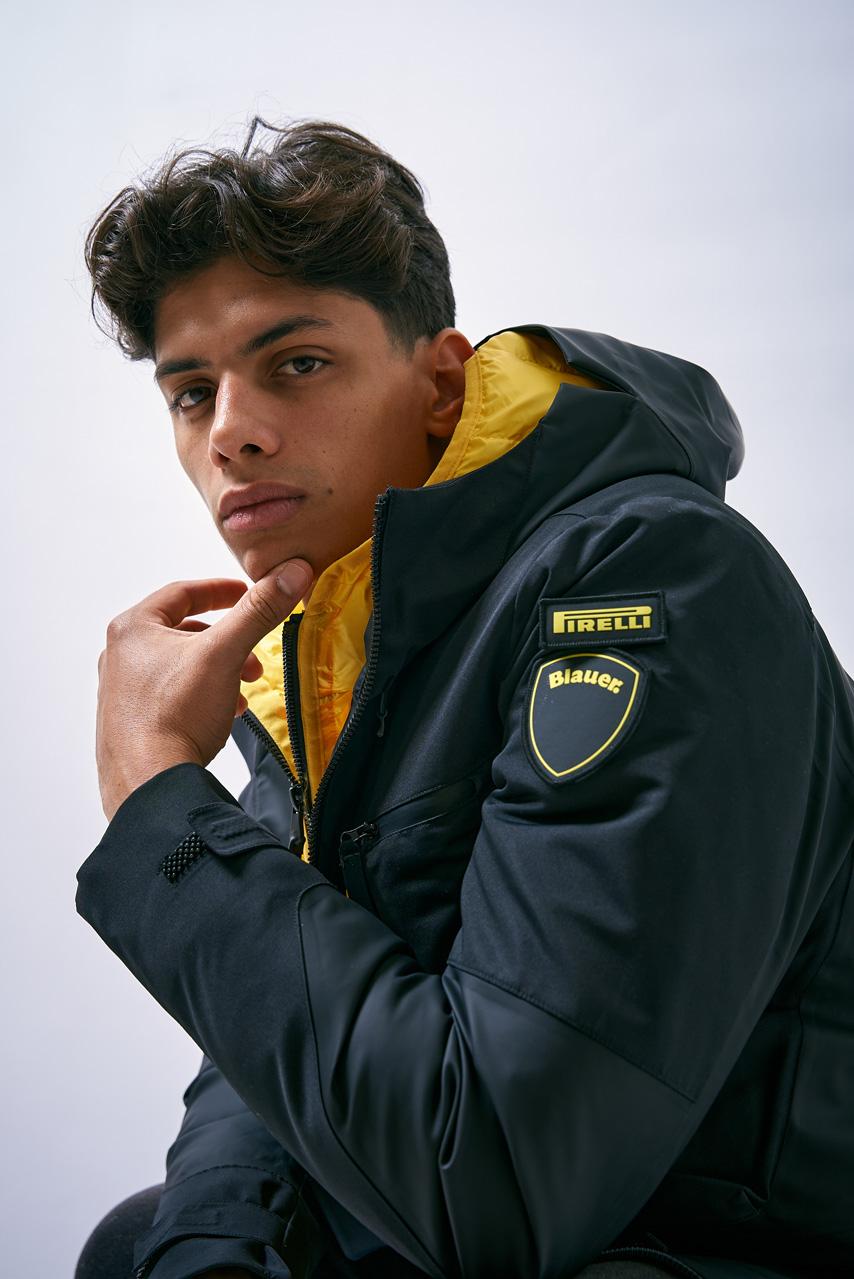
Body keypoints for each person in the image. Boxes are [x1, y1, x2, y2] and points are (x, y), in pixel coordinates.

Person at [75, 119, 854, 1279]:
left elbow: (493, 1180)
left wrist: (158, 801)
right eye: (191, 392)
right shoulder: (320, 665)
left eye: (295, 362)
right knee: (148, 1242)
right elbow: (273, 1055)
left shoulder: (646, 580)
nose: (230, 430)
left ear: (440, 382)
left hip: (697, 1244)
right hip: (495, 1223)